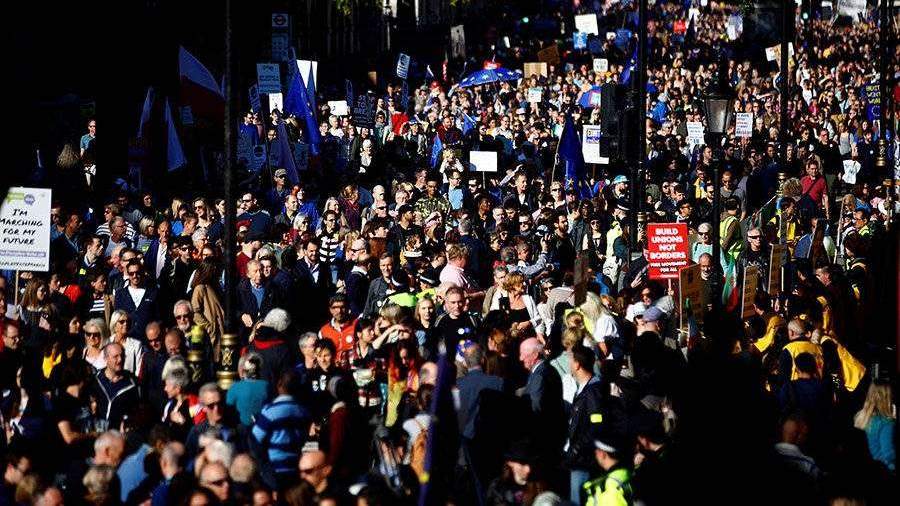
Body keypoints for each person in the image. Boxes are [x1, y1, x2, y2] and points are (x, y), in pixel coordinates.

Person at [251, 371, 311, 491]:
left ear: (279, 384)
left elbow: (256, 437)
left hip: (275, 468)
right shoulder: (303, 411)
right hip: (296, 466)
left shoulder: (270, 411)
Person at [853, 382, 896, 472]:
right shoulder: (886, 423)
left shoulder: (859, 417)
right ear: (887, 399)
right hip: (882, 470)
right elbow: (888, 454)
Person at [226, 352, 270, 427]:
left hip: (242, 428)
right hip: (263, 427)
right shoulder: (267, 386)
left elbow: (228, 409)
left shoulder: (235, 387)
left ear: (242, 370)